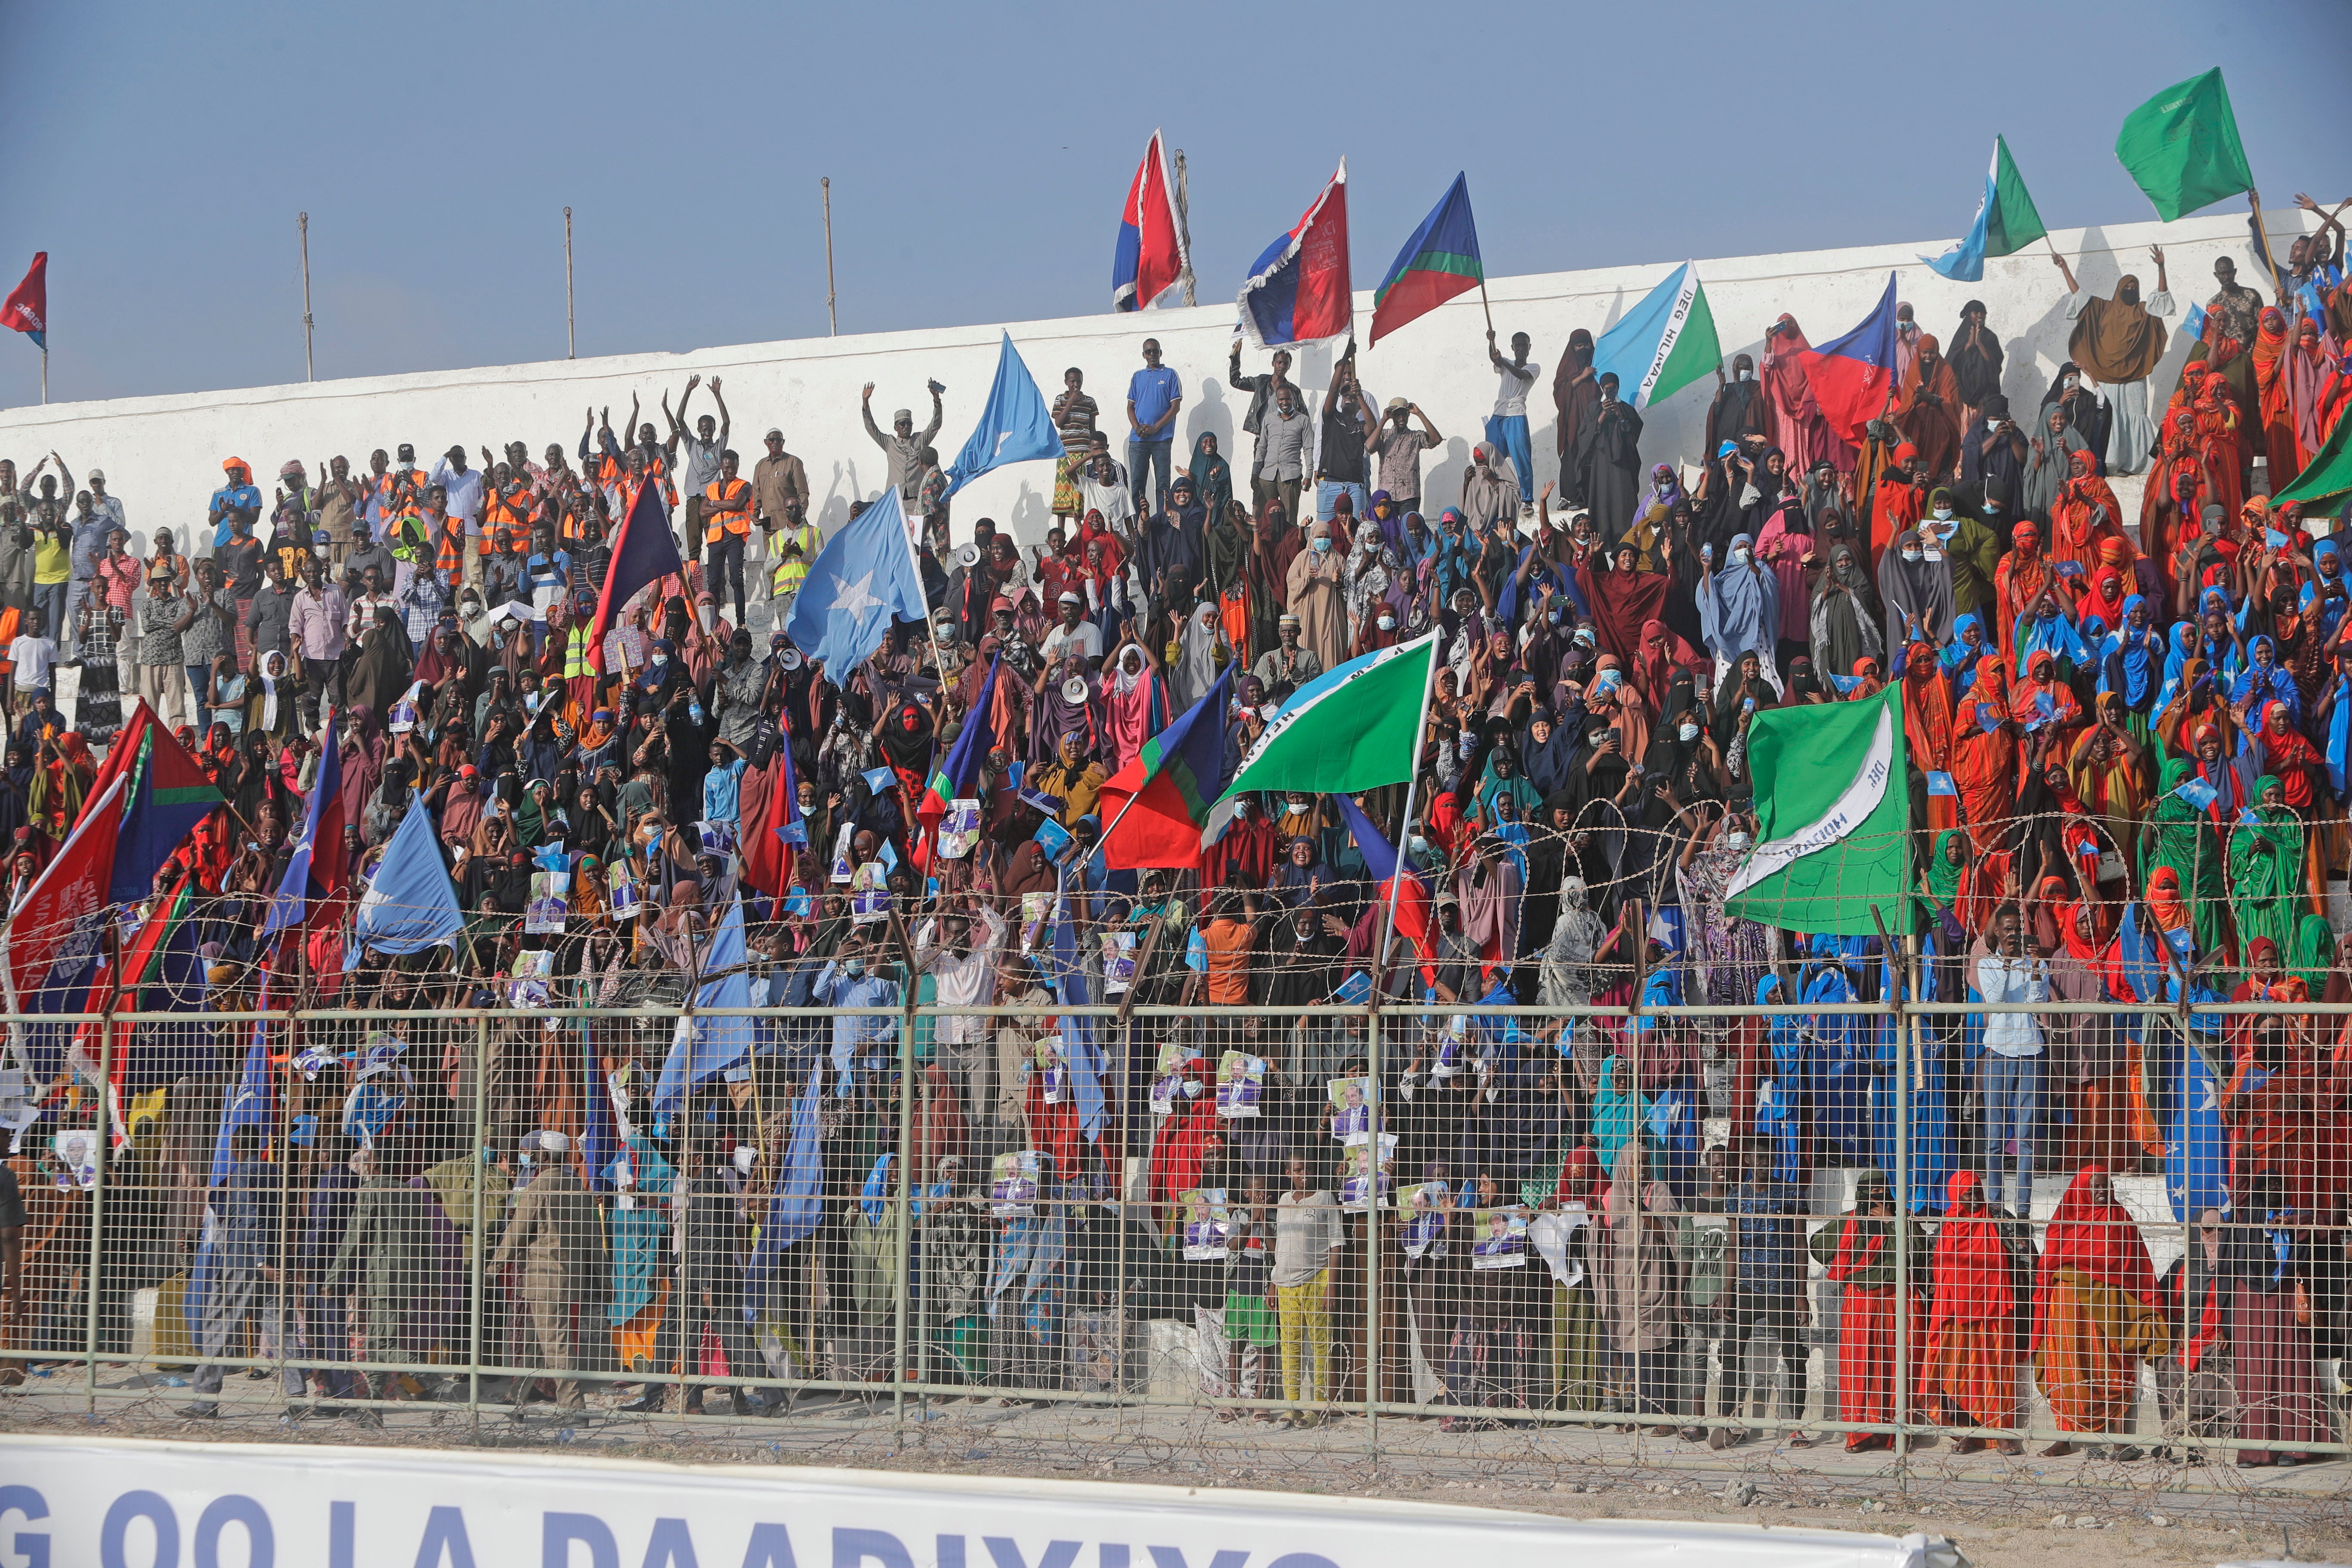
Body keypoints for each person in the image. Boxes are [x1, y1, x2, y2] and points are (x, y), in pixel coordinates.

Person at [2030, 1164, 2165, 1459]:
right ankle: (2065, 1437)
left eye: (2106, 1185)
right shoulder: (2064, 1219)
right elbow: (2048, 1264)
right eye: (2097, 1186)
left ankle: (2120, 1441)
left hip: (2109, 1309)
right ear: (2082, 1189)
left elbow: (2136, 1264)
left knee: (2113, 1368)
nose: (2102, 1191)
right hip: (2066, 1309)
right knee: (2063, 1369)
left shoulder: (2120, 1219)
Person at [1807, 1169, 1928, 1452]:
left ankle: (1896, 1433)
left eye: (1881, 1192)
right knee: (1859, 1368)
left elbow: (1920, 1252)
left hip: (1898, 1301)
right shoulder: (1849, 1221)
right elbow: (1818, 1246)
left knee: (1899, 1366)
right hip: (1861, 1303)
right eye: (1870, 1193)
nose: (1876, 1199)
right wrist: (1853, 1250)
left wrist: (1892, 1223)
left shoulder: (1904, 1219)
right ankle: (1860, 1434)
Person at [1922, 1170, 2025, 1454]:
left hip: (1995, 1312)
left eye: (1979, 1191)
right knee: (1957, 1374)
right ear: (1955, 1195)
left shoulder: (2001, 1221)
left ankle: (2001, 1433)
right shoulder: (1946, 1226)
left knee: (1995, 1374)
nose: (1977, 1198)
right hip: (1955, 1314)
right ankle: (1969, 1432)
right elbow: (1926, 1266)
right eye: (1969, 1193)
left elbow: (2027, 1257)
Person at [1976, 903, 2047, 1216]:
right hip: (1998, 1053)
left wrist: (2033, 968)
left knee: (2026, 1136)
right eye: (2007, 930)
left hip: (2030, 1050)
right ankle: (1994, 1204)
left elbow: (2038, 1002)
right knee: (1994, 1135)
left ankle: (2023, 1209)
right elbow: (1995, 1000)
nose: (2013, 936)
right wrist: (2006, 963)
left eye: (2017, 930)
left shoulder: (2036, 963)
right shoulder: (1988, 964)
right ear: (1997, 932)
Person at [1271, 1153, 1341, 1427]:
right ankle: (1293, 1406)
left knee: (1319, 1347)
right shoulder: (1284, 1201)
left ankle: (1318, 1407)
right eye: (1298, 1170)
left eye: (1308, 1169)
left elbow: (1336, 1244)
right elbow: (1280, 1245)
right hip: (1286, 1283)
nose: (1305, 1174)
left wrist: (1332, 1286)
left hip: (1317, 1280)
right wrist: (1273, 1282)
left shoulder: (1324, 1199)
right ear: (1289, 1173)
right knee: (1290, 1346)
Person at [861, 380, 946, 513]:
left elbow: (935, 425)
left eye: (909, 424)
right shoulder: (889, 443)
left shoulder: (920, 440)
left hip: (916, 502)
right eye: (902, 424)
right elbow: (871, 428)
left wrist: (936, 399)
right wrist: (866, 402)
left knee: (915, 533)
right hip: (894, 502)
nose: (906, 427)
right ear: (896, 427)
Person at [1126, 338, 1182, 517]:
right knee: (1137, 483)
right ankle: (1139, 524)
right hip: (1138, 440)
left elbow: (1176, 407)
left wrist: (1156, 427)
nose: (1152, 355)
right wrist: (1137, 428)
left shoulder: (1170, 375)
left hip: (1162, 439)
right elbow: (1130, 407)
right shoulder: (1138, 377)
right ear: (1144, 355)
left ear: (1160, 352)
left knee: (1163, 484)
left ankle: (1163, 522)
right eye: (1148, 352)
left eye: (1155, 351)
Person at [1485, 329, 1538, 509]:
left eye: (1524, 345)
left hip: (1516, 414)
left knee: (1521, 457)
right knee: (1492, 458)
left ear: (1529, 348)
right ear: (1513, 348)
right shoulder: (1505, 363)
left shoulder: (1533, 367)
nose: (1521, 349)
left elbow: (1520, 375)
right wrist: (1491, 341)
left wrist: (1503, 361)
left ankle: (1527, 499)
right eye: (1518, 346)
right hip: (1499, 414)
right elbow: (1494, 358)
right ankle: (1494, 495)